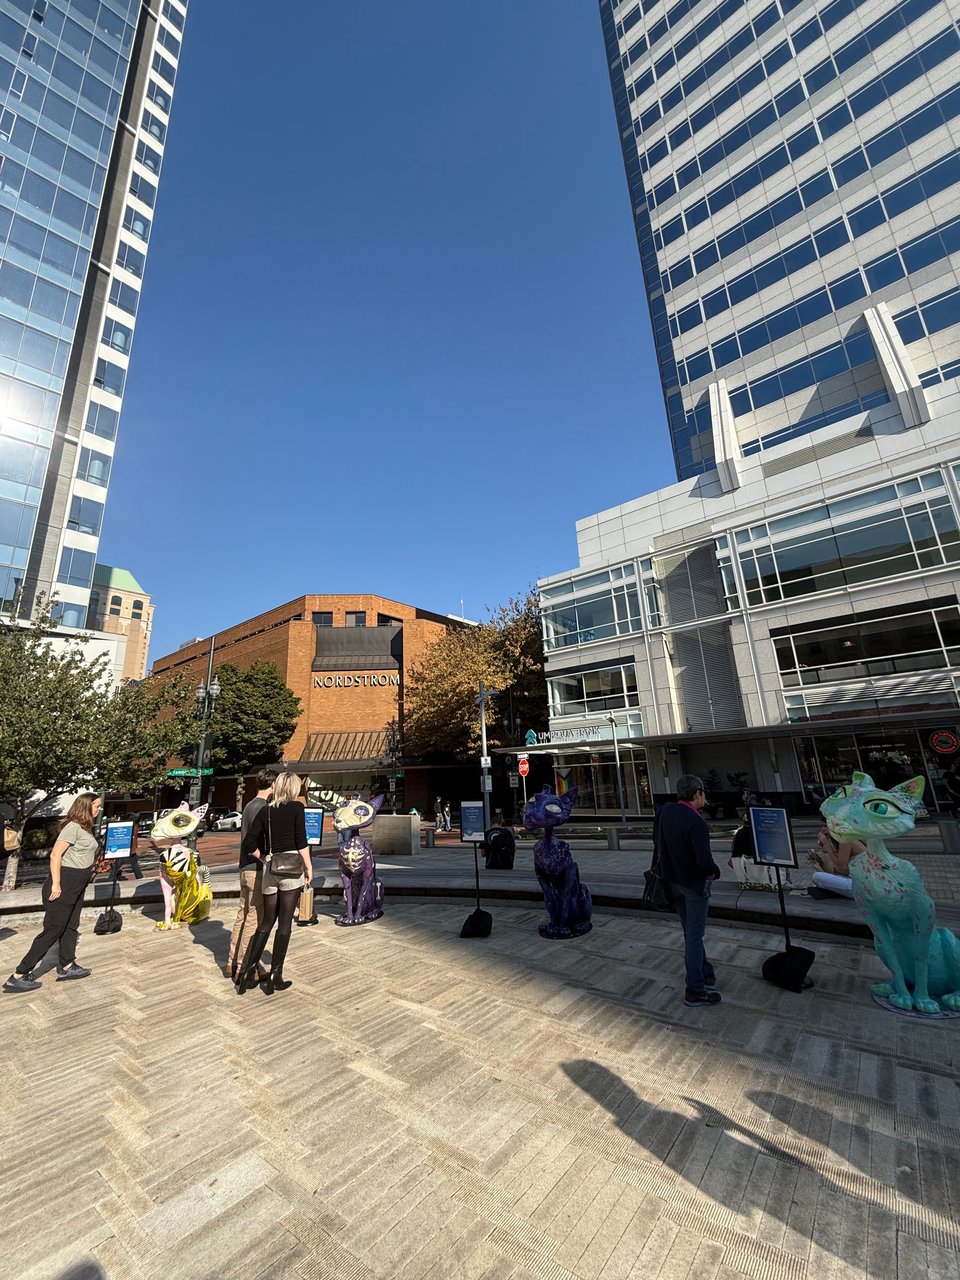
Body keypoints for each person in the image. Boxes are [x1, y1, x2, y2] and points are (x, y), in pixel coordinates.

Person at [4, 793, 101, 993]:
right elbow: (55, 855)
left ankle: (67, 966)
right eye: (96, 806)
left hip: (78, 883)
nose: (99, 809)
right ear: (86, 806)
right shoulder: (72, 827)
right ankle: (19, 975)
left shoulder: (85, 828)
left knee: (71, 926)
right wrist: (56, 884)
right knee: (54, 929)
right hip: (64, 883)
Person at [235, 771, 312, 995]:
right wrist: (309, 867)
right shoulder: (297, 808)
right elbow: (301, 840)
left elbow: (249, 841)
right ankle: (275, 975)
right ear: (294, 788)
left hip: (271, 867)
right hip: (291, 868)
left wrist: (263, 858)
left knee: (266, 921)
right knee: (285, 922)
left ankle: (248, 972)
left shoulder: (266, 810)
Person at [654, 774, 721, 1008]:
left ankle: (706, 973)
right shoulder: (696, 822)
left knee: (689, 931)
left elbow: (656, 841)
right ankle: (695, 989)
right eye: (703, 793)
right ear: (697, 794)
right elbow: (704, 860)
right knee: (694, 935)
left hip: (672, 883)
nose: (704, 797)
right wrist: (715, 870)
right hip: (693, 885)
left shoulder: (664, 812)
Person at [226, 766, 279, 979]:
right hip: (256, 868)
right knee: (254, 917)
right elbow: (255, 840)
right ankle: (245, 966)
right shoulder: (263, 807)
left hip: (244, 868)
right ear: (273, 784)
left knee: (243, 913)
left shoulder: (249, 805)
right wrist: (264, 857)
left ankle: (232, 962)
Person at [807, 826, 864, 899]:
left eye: (826, 826)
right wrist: (830, 845)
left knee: (817, 877)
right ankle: (833, 891)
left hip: (862, 888)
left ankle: (833, 892)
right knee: (824, 877)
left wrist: (827, 845)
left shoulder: (846, 840)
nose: (823, 829)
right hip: (859, 882)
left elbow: (841, 870)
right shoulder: (848, 838)